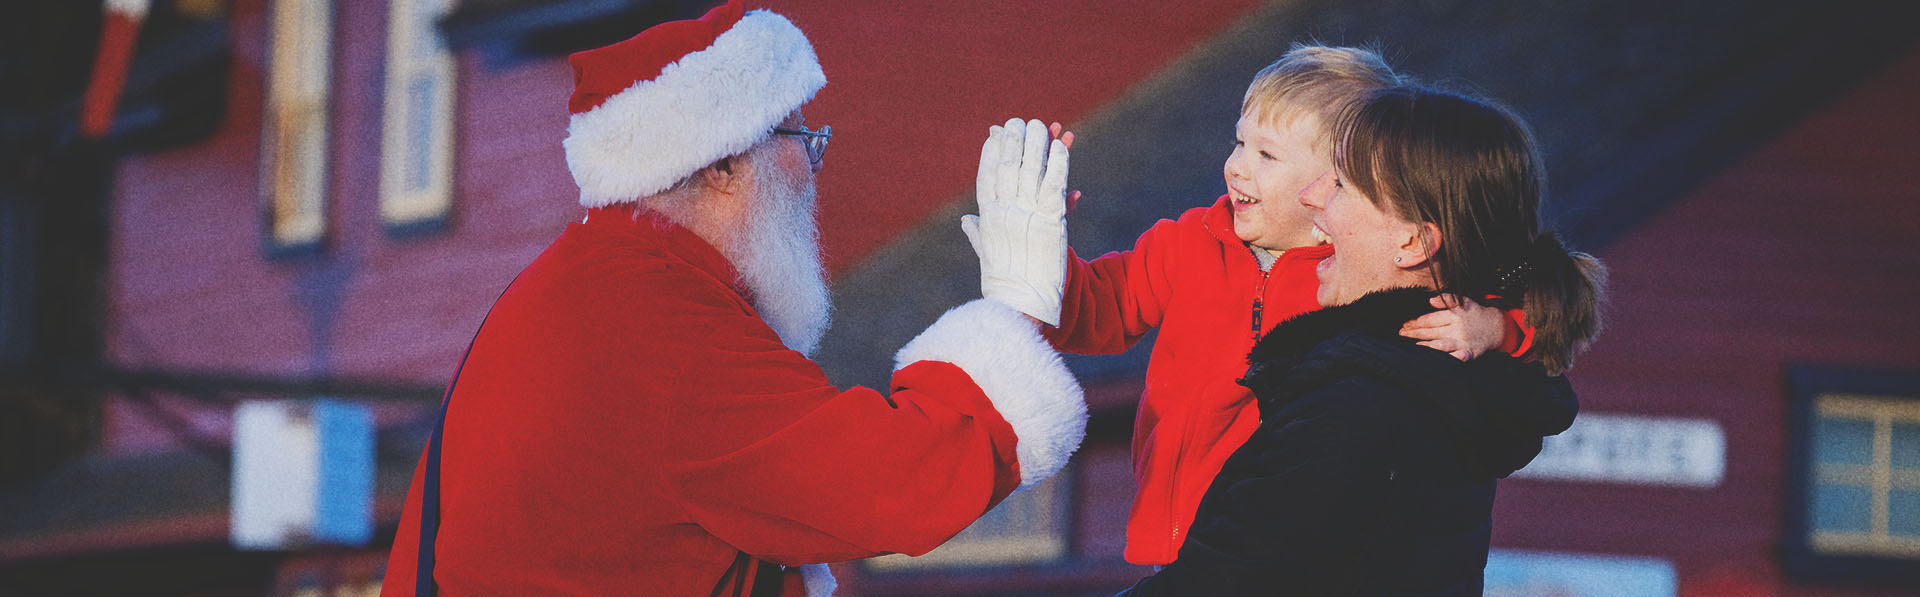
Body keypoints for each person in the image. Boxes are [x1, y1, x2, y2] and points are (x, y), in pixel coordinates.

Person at [379, 3, 1088, 595]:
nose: (811, 168)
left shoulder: (589, 286)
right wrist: (1015, 307)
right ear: (721, 161)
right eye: (799, 135)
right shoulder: (656, 320)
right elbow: (884, 482)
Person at [962, 45, 1530, 566]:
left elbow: (1527, 316)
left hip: (1277, 539)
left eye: (1267, 154)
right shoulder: (1188, 243)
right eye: (1239, 143)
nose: (1238, 166)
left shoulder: (1359, 277)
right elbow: (1099, 310)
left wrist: (1495, 327)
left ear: (1336, 178)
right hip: (1174, 533)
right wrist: (1039, 262)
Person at [1120, 85, 1606, 594]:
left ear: (1412, 241)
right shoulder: (1441, 379)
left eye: (1342, 186)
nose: (1310, 198)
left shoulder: (1357, 404)